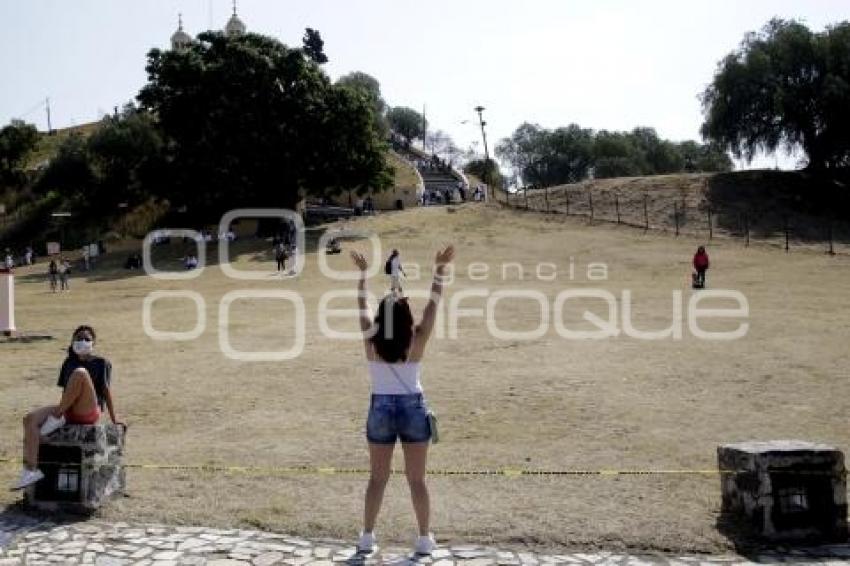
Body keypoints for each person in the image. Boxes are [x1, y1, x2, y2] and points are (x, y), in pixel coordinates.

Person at [350, 244, 455, 557]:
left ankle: (367, 537)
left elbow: (361, 305)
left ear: (381, 317)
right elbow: (433, 306)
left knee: (377, 479)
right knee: (417, 480)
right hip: (412, 407)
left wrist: (362, 276)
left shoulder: (372, 340)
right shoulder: (417, 338)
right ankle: (424, 539)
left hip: (380, 406)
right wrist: (439, 270)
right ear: (407, 317)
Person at [12, 325, 123, 490]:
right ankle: (30, 471)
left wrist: (115, 419)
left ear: (93, 343)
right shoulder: (68, 362)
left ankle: (55, 418)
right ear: (72, 341)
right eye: (79, 338)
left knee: (80, 373)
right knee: (29, 419)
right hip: (68, 410)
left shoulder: (102, 363)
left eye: (87, 339)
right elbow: (66, 393)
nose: (83, 341)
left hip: (89, 409)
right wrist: (62, 412)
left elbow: (106, 391)